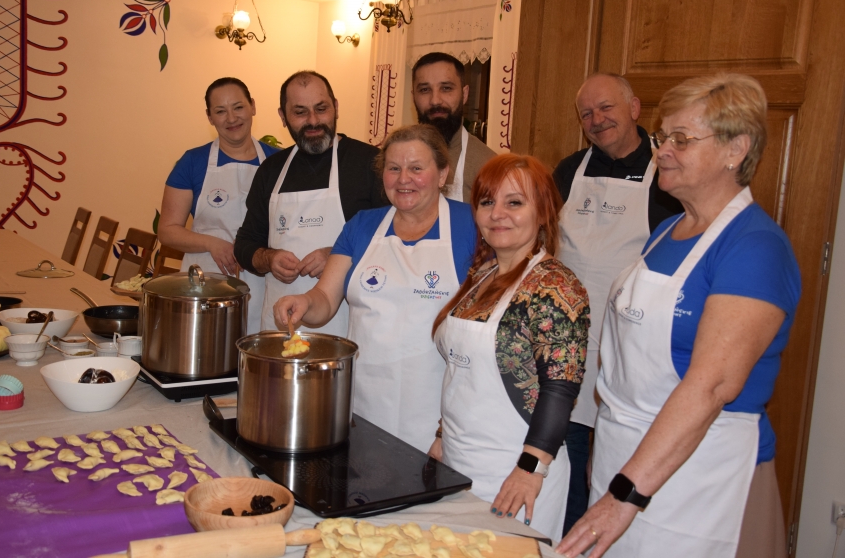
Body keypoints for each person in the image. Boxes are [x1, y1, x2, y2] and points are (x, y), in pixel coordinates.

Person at [557, 73, 801, 558]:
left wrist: (625, 493)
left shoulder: (755, 248)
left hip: (703, 478)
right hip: (624, 464)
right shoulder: (667, 231)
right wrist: (606, 452)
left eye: (681, 140)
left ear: (736, 149)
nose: (662, 151)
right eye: (661, 137)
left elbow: (711, 386)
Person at [273, 124, 476, 451]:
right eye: (393, 168)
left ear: (442, 174)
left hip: (439, 414)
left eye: (416, 168)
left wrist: (447, 431)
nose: (403, 179)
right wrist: (304, 302)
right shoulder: (362, 225)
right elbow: (325, 298)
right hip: (364, 404)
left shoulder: (473, 227)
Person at [431, 154, 590, 540]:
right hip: (458, 462)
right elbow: (458, 373)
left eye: (514, 202)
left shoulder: (555, 286)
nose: (497, 213)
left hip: (515, 473)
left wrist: (529, 469)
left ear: (543, 211)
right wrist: (441, 436)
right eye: (487, 202)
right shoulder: (482, 275)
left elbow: (560, 389)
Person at [552, 73, 683, 534]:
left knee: (613, 467)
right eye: (586, 113)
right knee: (566, 462)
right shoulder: (569, 170)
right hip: (567, 341)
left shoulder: (666, 173)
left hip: (629, 347)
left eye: (606, 108)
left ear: (634, 108)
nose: (597, 120)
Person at [234, 71, 387, 335]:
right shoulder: (271, 170)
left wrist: (338, 256)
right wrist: (269, 258)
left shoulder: (371, 163)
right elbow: (245, 244)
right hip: (282, 328)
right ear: (283, 117)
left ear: (336, 107)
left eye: (321, 108)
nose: (313, 120)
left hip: (348, 328)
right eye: (300, 112)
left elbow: (392, 240)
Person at [159, 77, 277, 336]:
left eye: (238, 107)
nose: (231, 118)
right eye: (220, 111)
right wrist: (213, 243)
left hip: (264, 284)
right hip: (206, 282)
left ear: (253, 106)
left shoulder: (278, 162)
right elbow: (167, 230)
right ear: (210, 117)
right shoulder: (193, 162)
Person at [412, 52, 496, 203]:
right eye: (424, 90)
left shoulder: (487, 165)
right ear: (413, 96)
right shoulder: (398, 160)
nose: (435, 100)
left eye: (446, 88)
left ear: (464, 94)